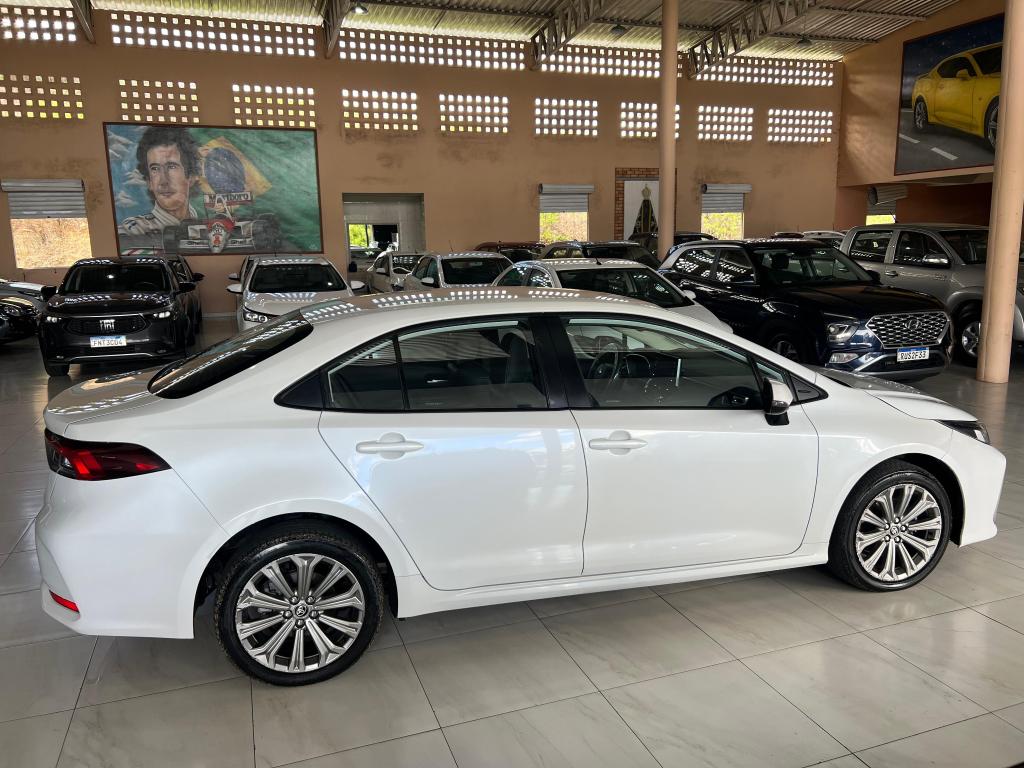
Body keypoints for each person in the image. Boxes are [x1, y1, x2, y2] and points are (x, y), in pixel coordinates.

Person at [118, 126, 201, 236]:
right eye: (155, 169)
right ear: (149, 182)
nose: (163, 181)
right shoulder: (134, 231)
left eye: (171, 167)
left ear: (191, 177)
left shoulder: (208, 226)